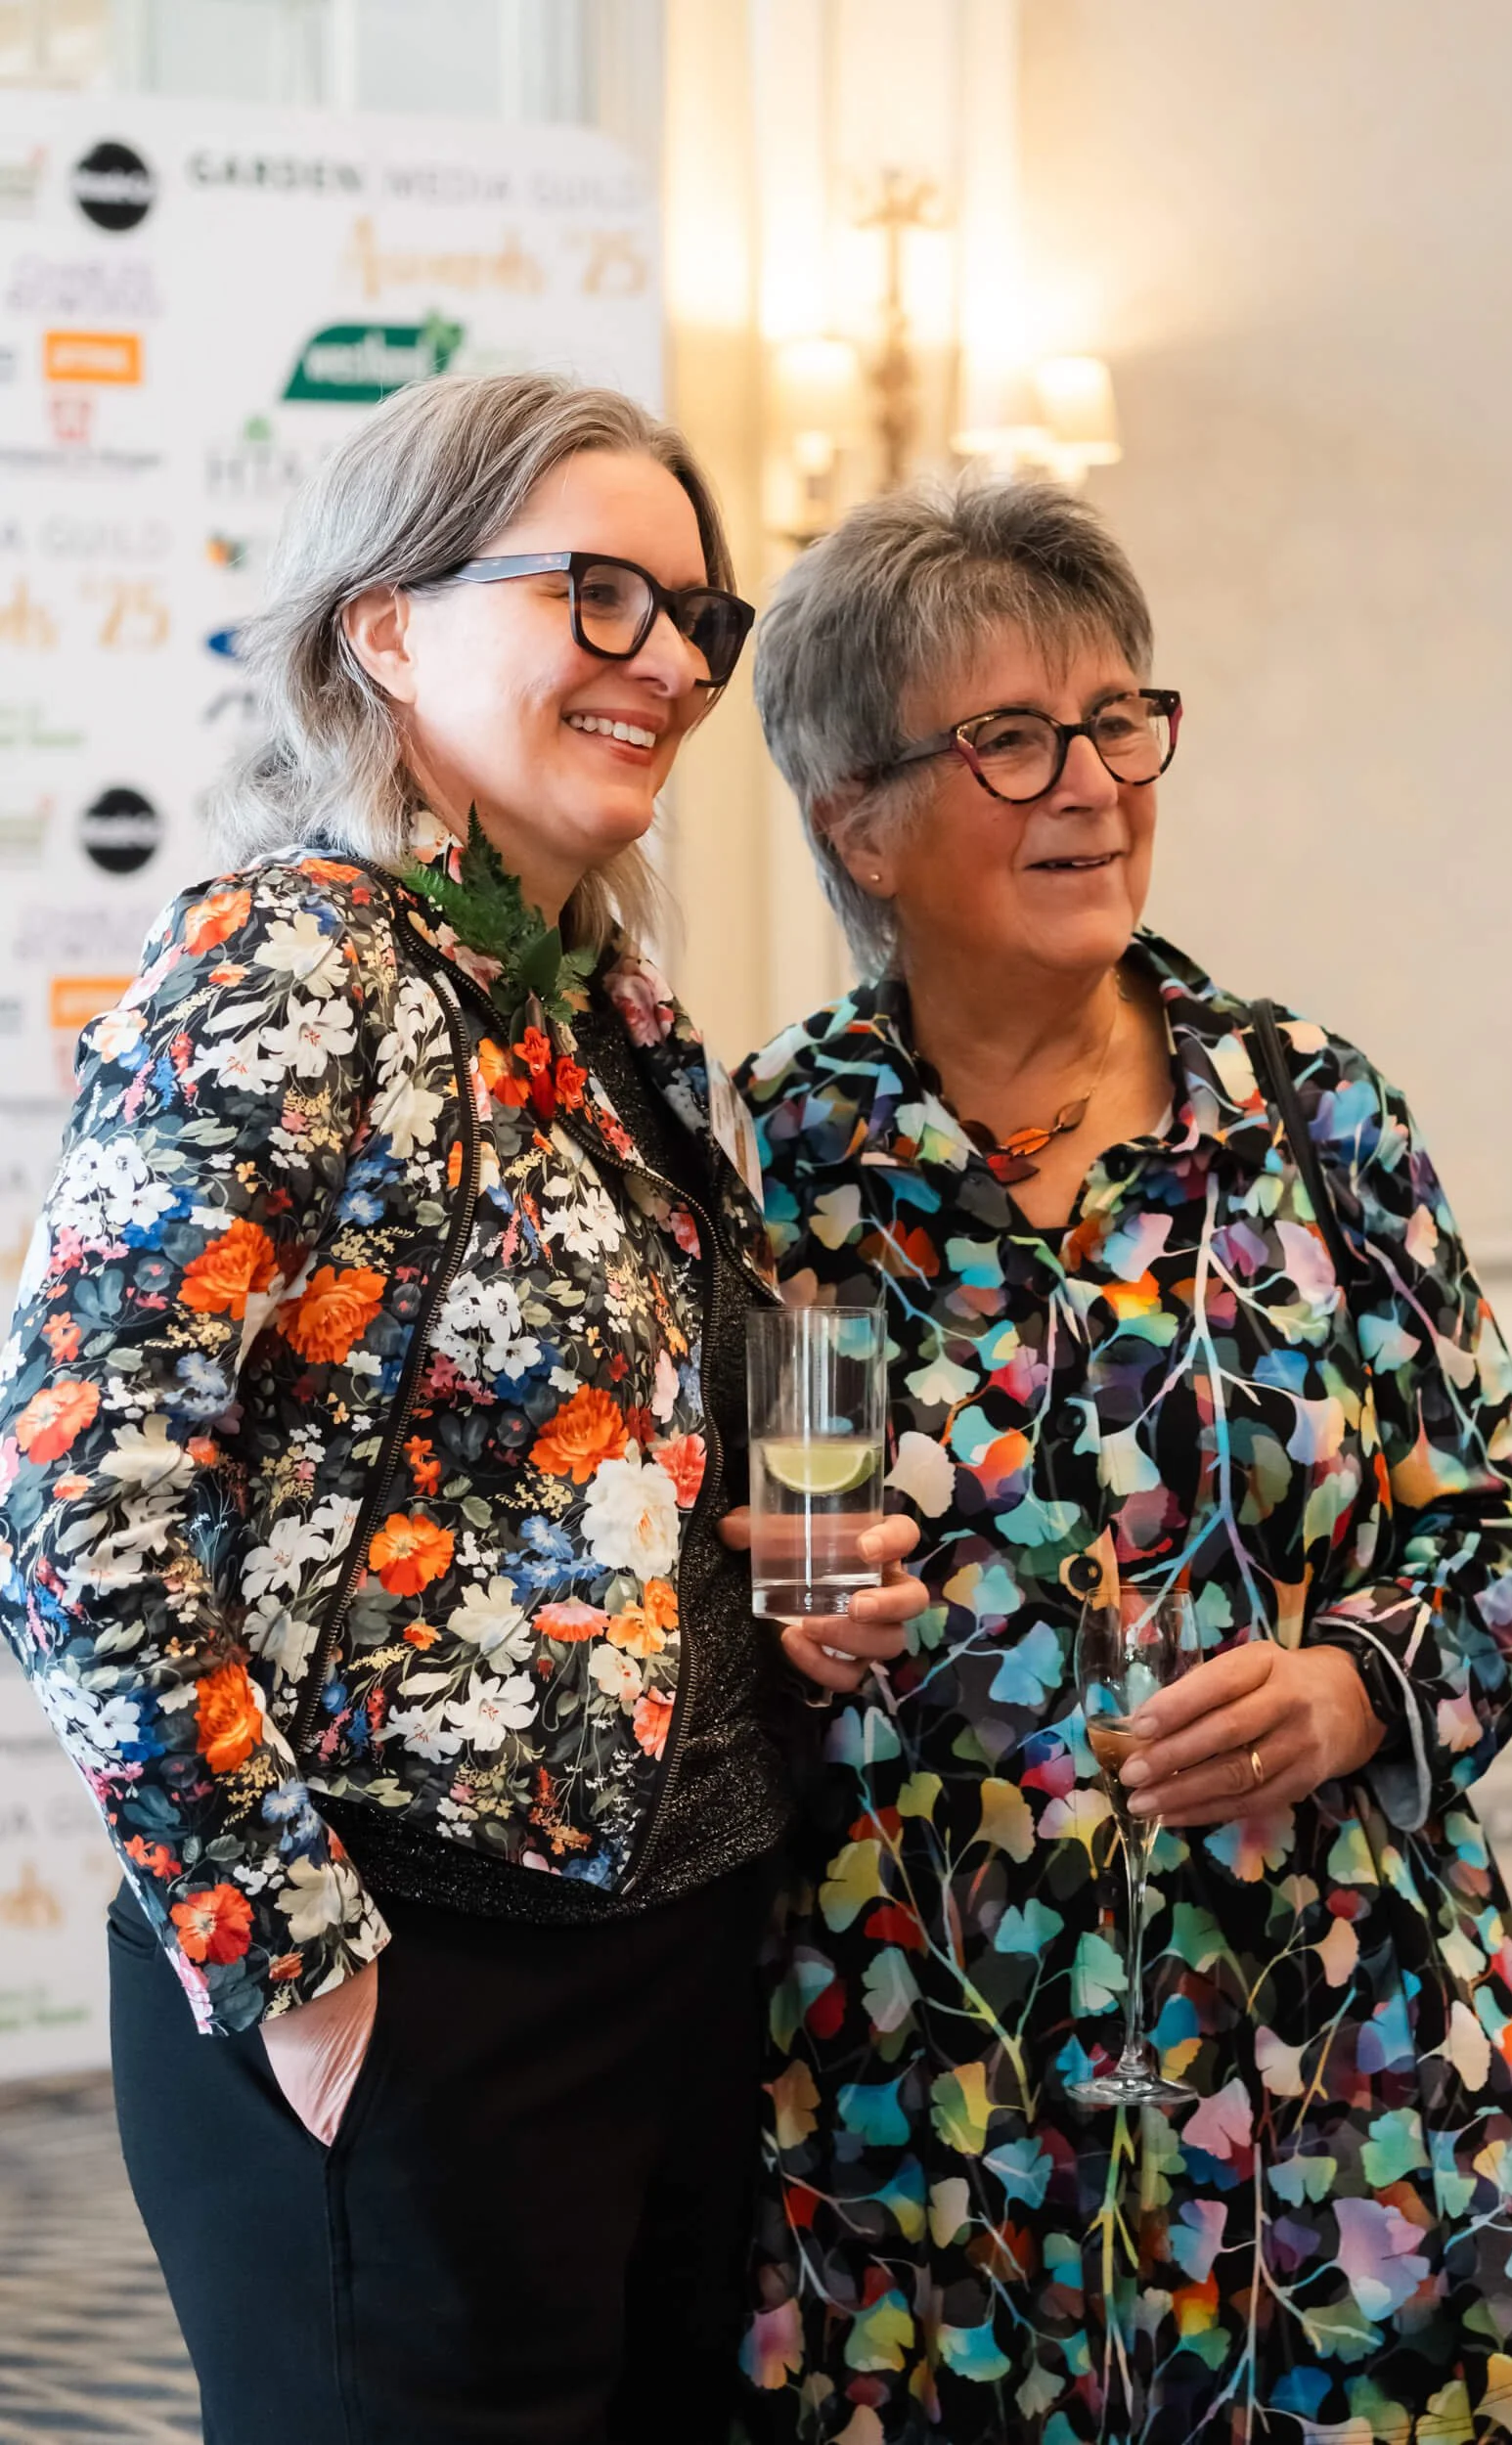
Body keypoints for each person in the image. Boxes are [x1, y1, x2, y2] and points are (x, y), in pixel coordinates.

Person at [0, 372, 922, 2445]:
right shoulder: (290, 960)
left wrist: (783, 1566)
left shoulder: (617, 1012)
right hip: (411, 1973)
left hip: (669, 1955)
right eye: (594, 594)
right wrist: (295, 1958)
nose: (665, 660)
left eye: (694, 614)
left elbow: (703, 1392)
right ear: (385, 625)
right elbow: (78, 1498)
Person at [733, 476, 1512, 2442]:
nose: (1094, 782)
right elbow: (770, 1526)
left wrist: (1348, 1682)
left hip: (1332, 2076)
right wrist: (785, 1602)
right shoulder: (785, 1149)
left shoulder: (1303, 1112)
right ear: (852, 815)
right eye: (1009, 737)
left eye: (1120, 719)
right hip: (930, 2103)